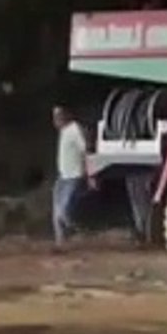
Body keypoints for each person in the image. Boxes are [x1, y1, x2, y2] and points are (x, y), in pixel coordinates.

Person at [52, 104, 95, 248]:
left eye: (59, 116)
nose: (56, 120)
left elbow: (86, 151)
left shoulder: (75, 129)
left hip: (74, 175)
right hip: (63, 176)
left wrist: (90, 175)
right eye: (55, 116)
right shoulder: (64, 131)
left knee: (64, 211)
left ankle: (79, 232)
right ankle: (61, 243)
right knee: (56, 211)